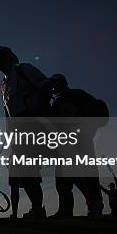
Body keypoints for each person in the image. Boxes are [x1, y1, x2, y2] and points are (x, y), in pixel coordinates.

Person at [0, 46, 51, 218]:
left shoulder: (24, 69)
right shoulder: (3, 85)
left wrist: (39, 114)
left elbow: (46, 87)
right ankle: (37, 208)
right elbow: (7, 112)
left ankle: (93, 202)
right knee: (26, 170)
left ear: (8, 57)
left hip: (36, 125)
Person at [49, 73, 105, 218]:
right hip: (65, 142)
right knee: (62, 176)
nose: (53, 87)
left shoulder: (78, 94)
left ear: (62, 83)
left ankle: (95, 206)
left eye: (55, 83)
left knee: (88, 172)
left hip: (81, 138)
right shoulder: (56, 103)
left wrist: (89, 131)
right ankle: (65, 209)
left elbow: (98, 110)